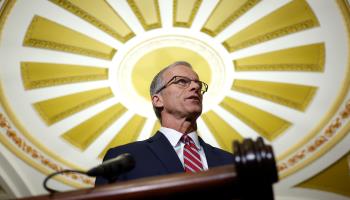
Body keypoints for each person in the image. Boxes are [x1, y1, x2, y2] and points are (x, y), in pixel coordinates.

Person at [95, 61, 233, 185]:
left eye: (198, 84)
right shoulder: (124, 159)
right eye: (181, 81)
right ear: (157, 100)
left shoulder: (231, 162)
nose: (195, 87)